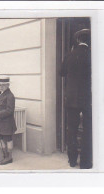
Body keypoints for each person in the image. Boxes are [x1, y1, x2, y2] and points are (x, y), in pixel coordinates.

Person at [61, 28, 92, 169]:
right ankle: (85, 163)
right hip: (88, 99)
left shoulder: (69, 55)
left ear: (78, 40)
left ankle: (72, 160)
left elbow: (62, 73)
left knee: (71, 129)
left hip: (71, 98)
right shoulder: (93, 55)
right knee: (88, 129)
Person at [0, 76, 17, 165]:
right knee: (0, 139)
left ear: (8, 85)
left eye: (3, 85)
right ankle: (5, 156)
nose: (1, 87)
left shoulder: (10, 96)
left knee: (8, 139)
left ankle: (9, 157)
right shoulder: (1, 94)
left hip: (6, 123)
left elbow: (9, 110)